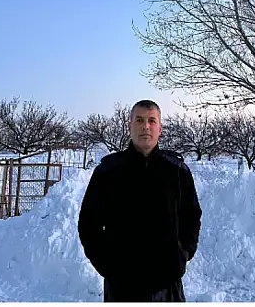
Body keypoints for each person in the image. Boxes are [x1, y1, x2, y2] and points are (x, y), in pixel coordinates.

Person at [78, 100, 202, 302]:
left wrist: (182, 254)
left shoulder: (177, 171)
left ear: (160, 128)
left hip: (167, 285)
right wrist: (107, 265)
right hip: (122, 287)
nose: (146, 126)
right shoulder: (108, 172)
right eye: (140, 120)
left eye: (152, 121)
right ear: (130, 126)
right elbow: (88, 224)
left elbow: (192, 216)